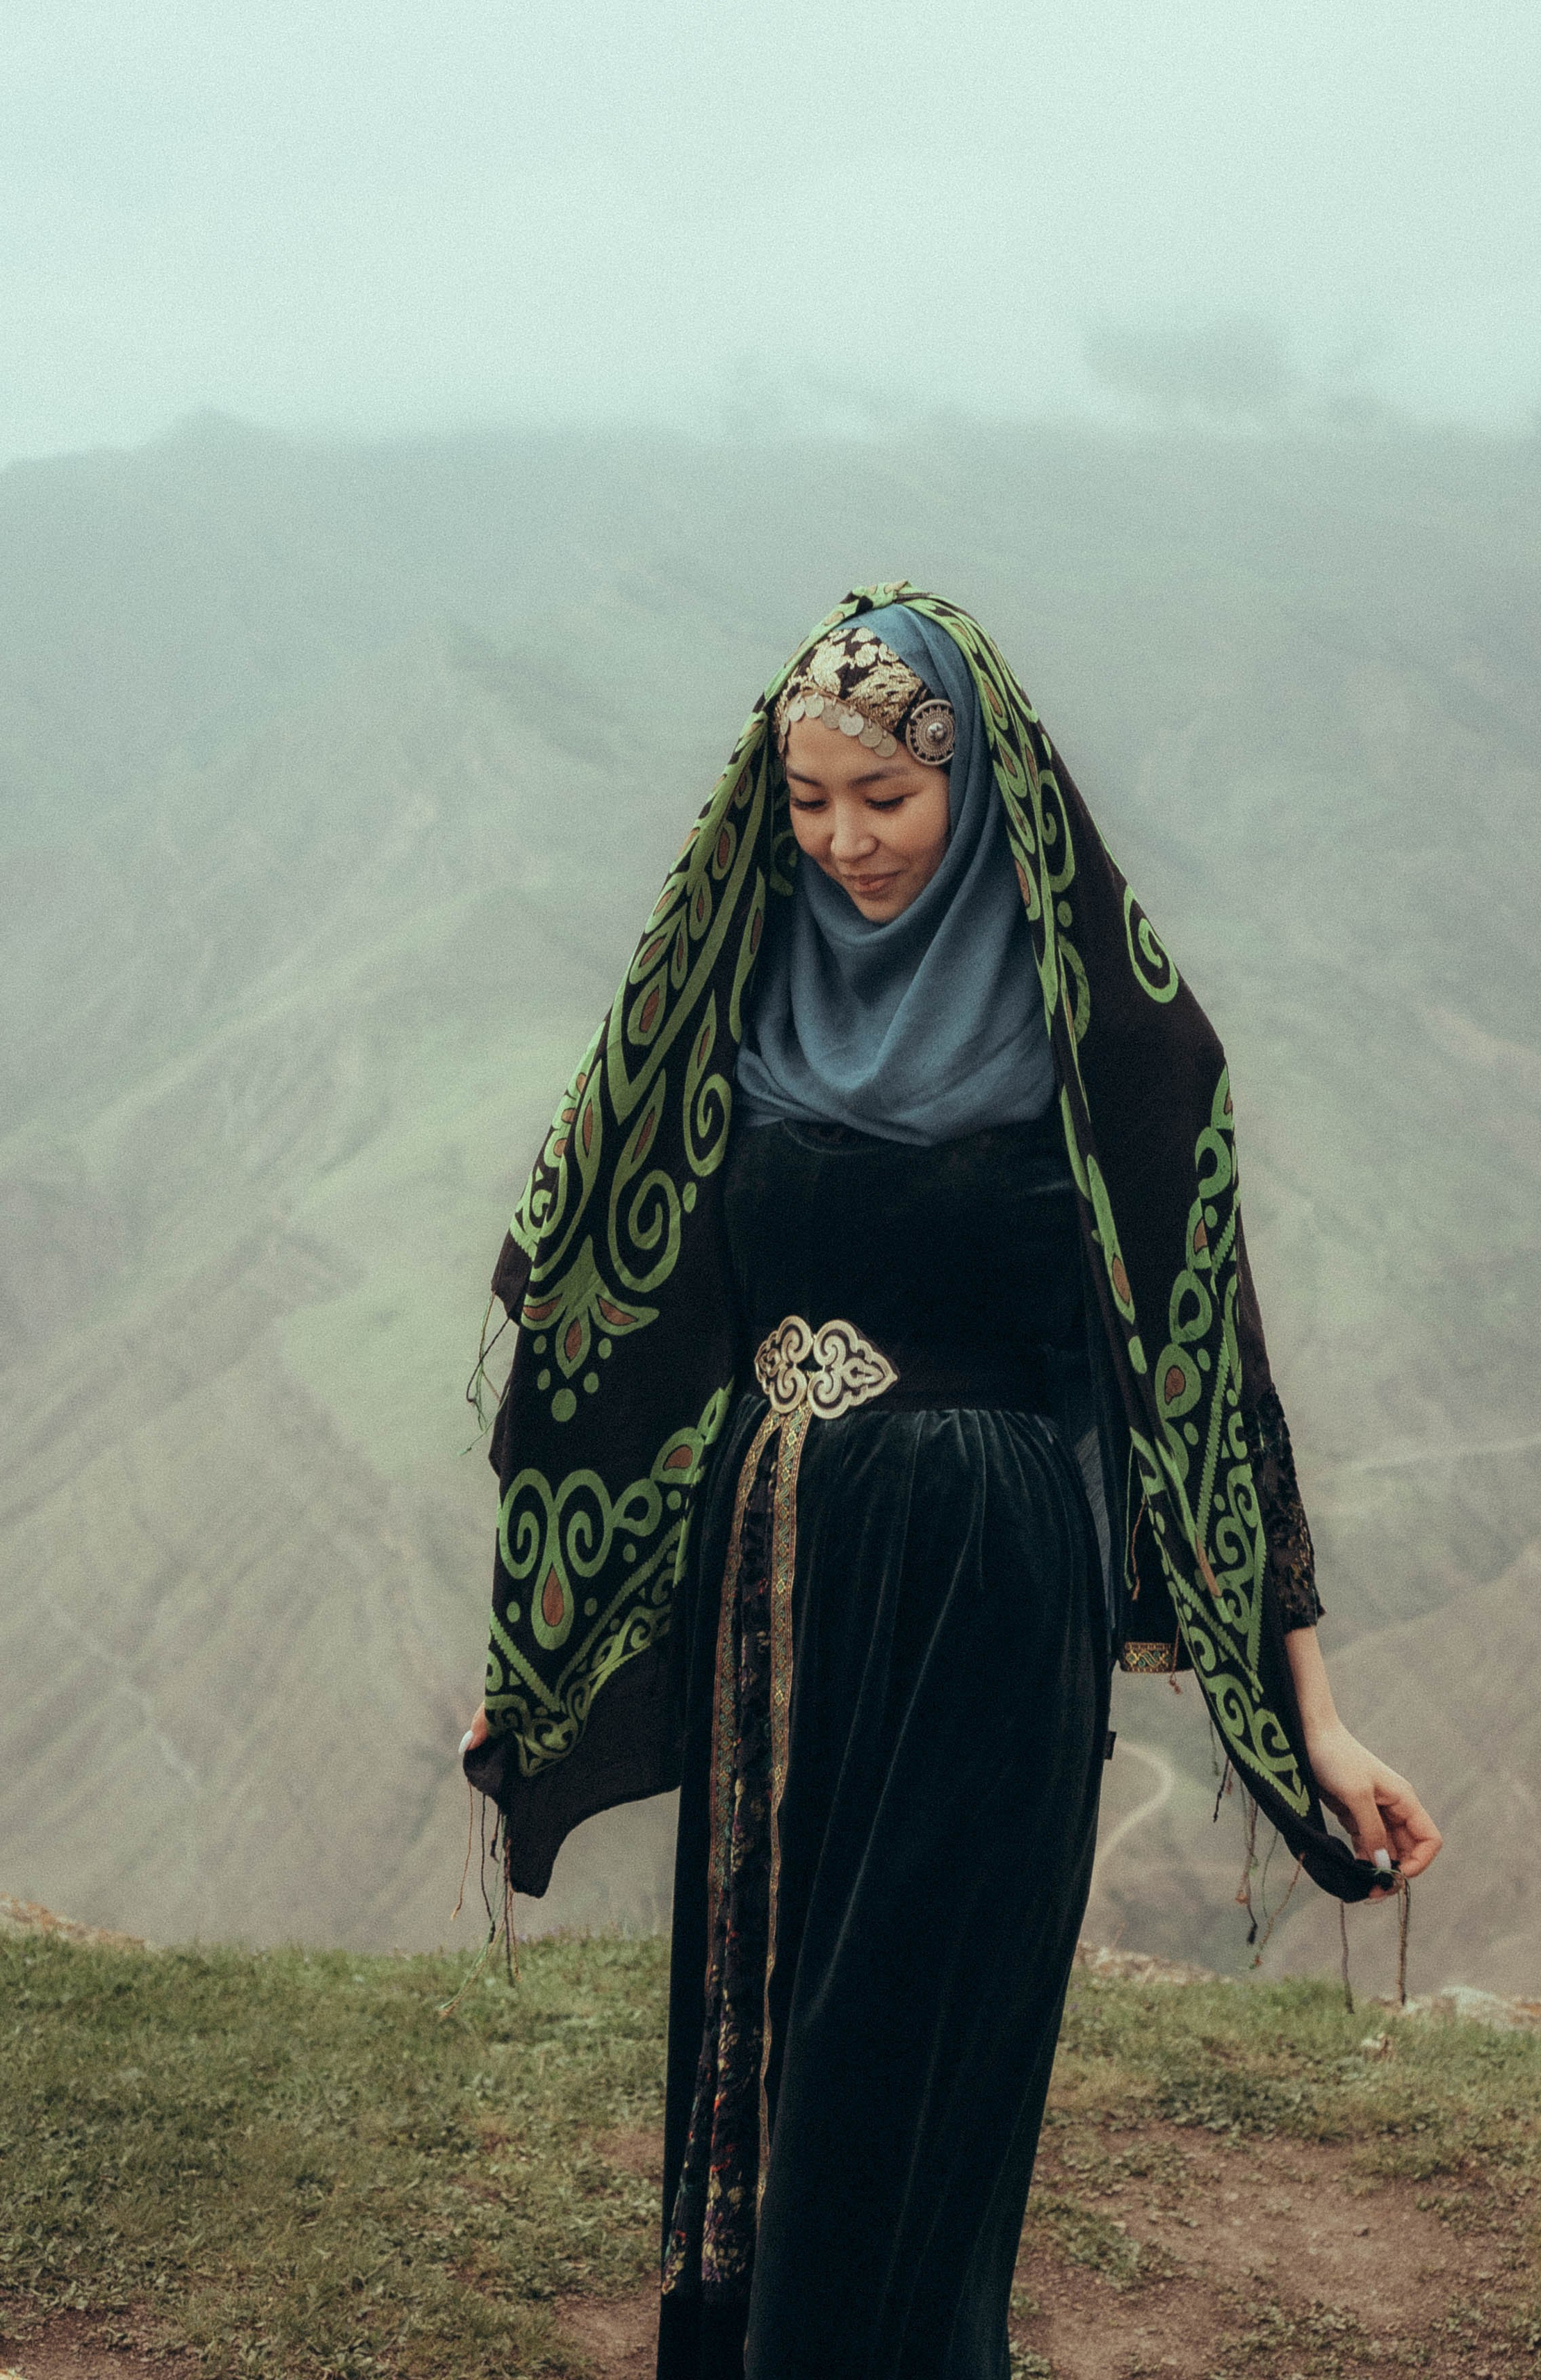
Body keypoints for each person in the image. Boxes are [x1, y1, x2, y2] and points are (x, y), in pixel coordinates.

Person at [461, 588, 1441, 2380]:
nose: (844, 842)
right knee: (759, 2027)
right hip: (769, 1587)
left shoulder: (1117, 1048)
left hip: (984, 1595)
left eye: (886, 800)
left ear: (978, 788)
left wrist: (1315, 1714)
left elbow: (1214, 1387)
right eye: (808, 801)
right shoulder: (736, 996)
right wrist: (553, 1650)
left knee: (901, 2056)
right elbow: (640, 1326)